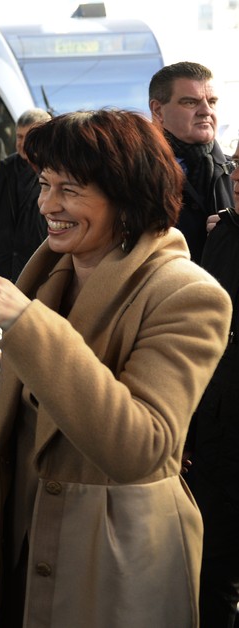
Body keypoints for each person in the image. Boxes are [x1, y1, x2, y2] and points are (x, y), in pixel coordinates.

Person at [0, 109, 231, 627]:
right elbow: (2, 424)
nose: (48, 205)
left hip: (115, 559)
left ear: (128, 195)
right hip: (22, 539)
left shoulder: (188, 295)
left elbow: (142, 446)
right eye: (44, 184)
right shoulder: (48, 277)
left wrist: (30, 326)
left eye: (71, 190)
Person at [186, 148, 239, 627]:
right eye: (238, 165)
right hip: (217, 424)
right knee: (214, 563)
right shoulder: (220, 234)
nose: (238, 177)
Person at [0, 108, 52, 368]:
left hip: (38, 260)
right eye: (19, 136)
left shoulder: (56, 169)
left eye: (30, 136)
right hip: (4, 259)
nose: (23, 143)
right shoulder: (5, 168)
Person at [149, 61, 233, 263]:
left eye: (212, 102)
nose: (206, 111)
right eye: (190, 102)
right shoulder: (132, 173)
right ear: (158, 110)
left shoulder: (233, 170)